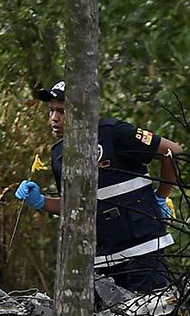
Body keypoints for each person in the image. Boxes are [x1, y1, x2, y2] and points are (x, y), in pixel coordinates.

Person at [16, 80, 183, 296]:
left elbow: (173, 152)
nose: (54, 119)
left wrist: (161, 196)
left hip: (145, 249)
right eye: (51, 111)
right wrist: (40, 201)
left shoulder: (113, 133)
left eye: (62, 112)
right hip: (102, 259)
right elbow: (71, 207)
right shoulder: (59, 155)